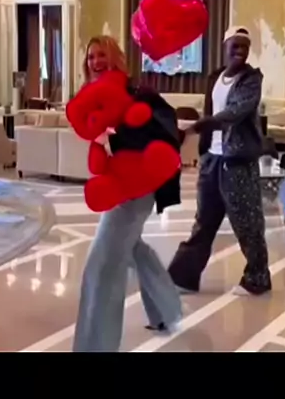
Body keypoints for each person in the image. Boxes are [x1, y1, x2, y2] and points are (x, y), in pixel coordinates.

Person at [72, 35, 182, 353]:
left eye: (102, 55)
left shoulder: (136, 92)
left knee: (102, 264)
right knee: (133, 249)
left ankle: (95, 347)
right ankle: (166, 309)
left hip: (138, 188)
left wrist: (117, 136)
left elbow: (159, 131)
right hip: (117, 186)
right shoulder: (93, 96)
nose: (96, 61)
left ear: (116, 57)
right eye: (91, 56)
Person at [168, 27, 271, 297]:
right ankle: (183, 278)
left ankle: (258, 279)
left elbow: (235, 112)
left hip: (237, 160)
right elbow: (213, 110)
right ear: (225, 47)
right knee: (204, 220)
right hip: (212, 159)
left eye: (245, 47)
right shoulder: (215, 78)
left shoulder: (251, 80)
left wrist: (196, 127)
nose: (240, 51)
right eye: (235, 45)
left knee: (247, 222)